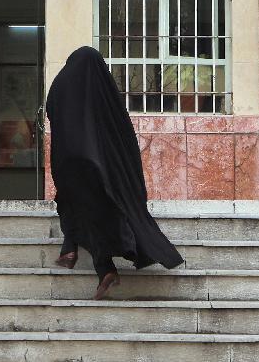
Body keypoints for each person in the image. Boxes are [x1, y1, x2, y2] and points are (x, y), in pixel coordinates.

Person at [46, 46, 184, 300]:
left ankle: (83, 255)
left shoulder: (61, 83)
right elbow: (121, 132)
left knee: (73, 205)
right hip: (99, 165)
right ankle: (87, 255)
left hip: (67, 162)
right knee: (105, 208)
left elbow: (51, 112)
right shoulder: (101, 88)